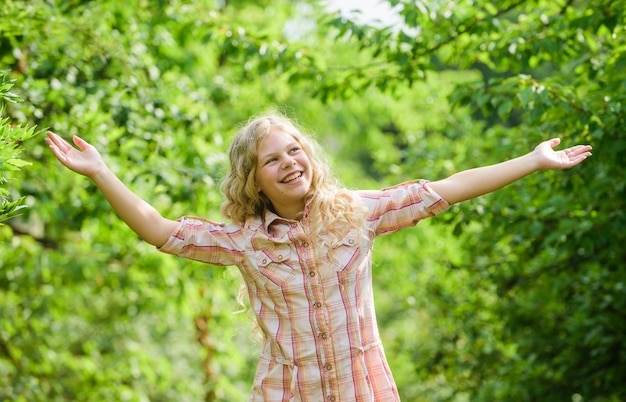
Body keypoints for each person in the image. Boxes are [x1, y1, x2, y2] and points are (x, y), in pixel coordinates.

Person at [46, 113, 592, 401]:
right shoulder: (244, 240)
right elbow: (159, 230)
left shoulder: (357, 212)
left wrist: (533, 160)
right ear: (253, 179)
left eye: (295, 151)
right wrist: (101, 172)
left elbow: (446, 188)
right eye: (271, 160)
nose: (288, 163)